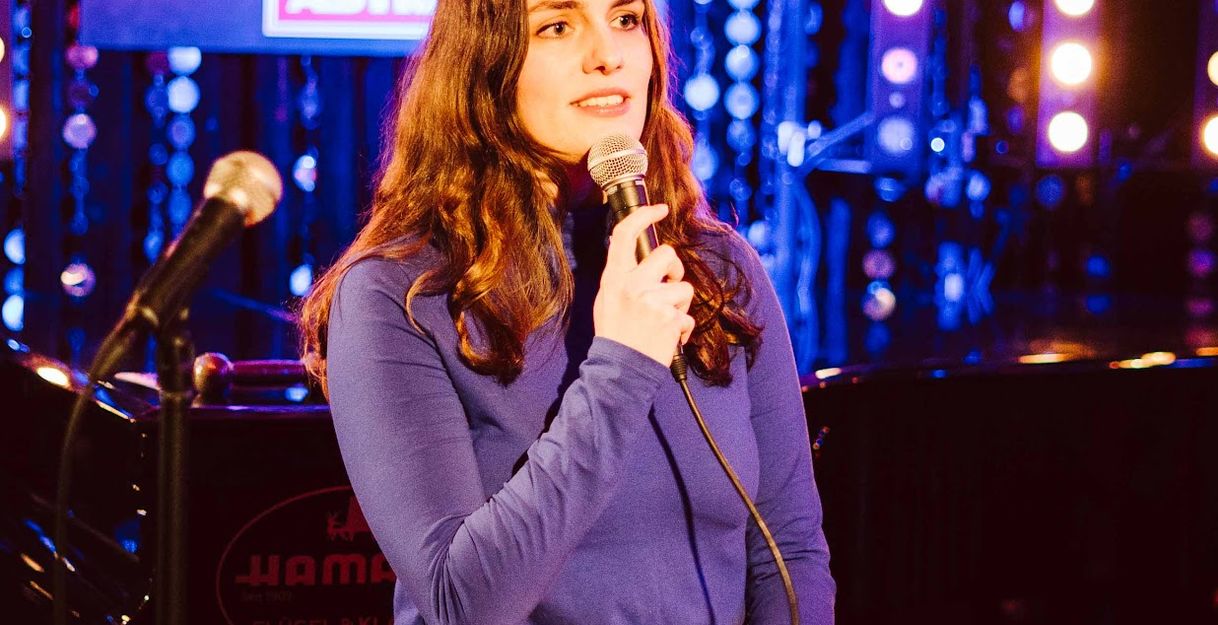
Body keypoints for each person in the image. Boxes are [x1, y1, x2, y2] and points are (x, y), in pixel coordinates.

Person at [297, 0, 836, 623]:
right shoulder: (399, 294)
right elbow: (459, 602)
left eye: (626, 20)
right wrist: (621, 367)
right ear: (484, 67)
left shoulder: (718, 268)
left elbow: (788, 551)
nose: (607, 55)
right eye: (557, 26)